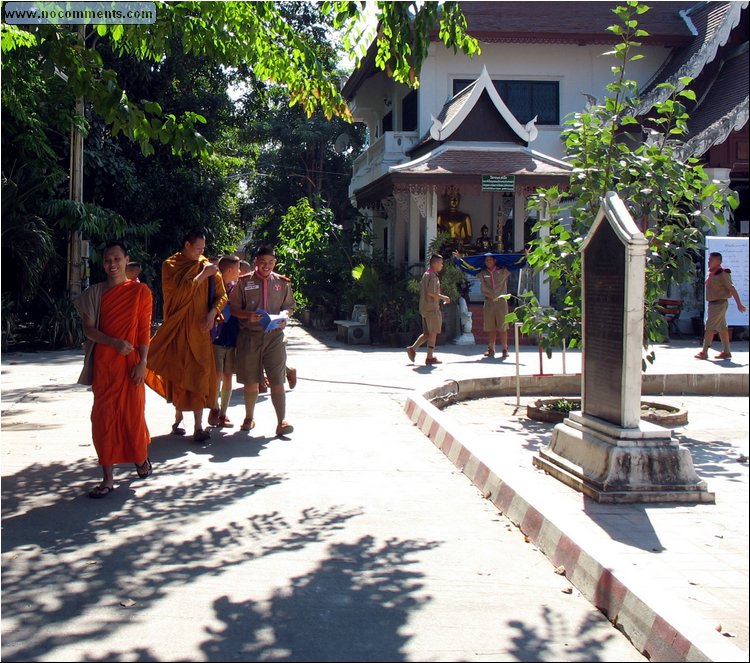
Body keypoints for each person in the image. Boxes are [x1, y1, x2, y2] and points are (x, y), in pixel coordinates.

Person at [74, 241, 153, 498]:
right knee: (103, 418)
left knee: (132, 416)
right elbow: (88, 330)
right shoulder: (94, 294)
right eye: (108, 260)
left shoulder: (141, 293)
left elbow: (143, 332)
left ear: (126, 259)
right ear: (103, 263)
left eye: (117, 259)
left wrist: (142, 363)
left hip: (131, 365)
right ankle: (107, 478)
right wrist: (113, 342)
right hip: (105, 364)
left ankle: (140, 457)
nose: (112, 265)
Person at [145, 229, 227, 442]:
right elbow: (180, 293)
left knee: (200, 374)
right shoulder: (170, 265)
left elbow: (222, 295)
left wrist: (212, 314)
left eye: (203, 248)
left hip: (200, 329)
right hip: (178, 327)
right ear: (187, 245)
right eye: (198, 248)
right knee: (179, 374)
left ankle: (199, 427)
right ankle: (179, 418)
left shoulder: (205, 265)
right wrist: (203, 275)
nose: (202, 251)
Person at [230, 245, 296, 437]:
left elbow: (289, 306)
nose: (267, 266)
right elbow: (233, 308)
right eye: (263, 262)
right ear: (256, 262)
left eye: (271, 262)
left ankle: (281, 421)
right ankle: (249, 417)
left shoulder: (282, 283)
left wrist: (285, 315)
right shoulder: (243, 282)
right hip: (250, 336)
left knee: (277, 380)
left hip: (274, 336)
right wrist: (247, 316)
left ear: (275, 262)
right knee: (251, 381)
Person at [208, 255, 241, 428]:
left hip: (233, 337)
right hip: (216, 338)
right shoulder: (213, 287)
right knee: (217, 375)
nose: (240, 272)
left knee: (228, 376)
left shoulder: (238, 288)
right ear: (230, 270)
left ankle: (223, 413)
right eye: (238, 268)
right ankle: (214, 408)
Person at [695, 251, 746, 360]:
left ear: (718, 261)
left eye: (711, 260)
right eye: (709, 260)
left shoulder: (722, 273)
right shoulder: (712, 272)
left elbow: (731, 288)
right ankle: (726, 352)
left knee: (709, 327)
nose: (709, 262)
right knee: (722, 328)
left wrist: (739, 304)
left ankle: (704, 352)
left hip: (719, 303)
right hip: (713, 303)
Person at [406, 254, 451, 365]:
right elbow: (431, 292)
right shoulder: (433, 276)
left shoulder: (427, 274)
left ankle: (413, 349)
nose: (442, 265)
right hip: (431, 308)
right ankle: (429, 357)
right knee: (433, 332)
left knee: (427, 333)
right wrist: (443, 297)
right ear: (435, 263)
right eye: (440, 263)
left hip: (425, 308)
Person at [478, 253, 511, 358]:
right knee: (490, 326)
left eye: (490, 260)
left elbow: (515, 265)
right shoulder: (483, 273)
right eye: (486, 260)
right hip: (489, 302)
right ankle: (491, 349)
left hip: (501, 301)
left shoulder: (502, 271)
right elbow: (468, 268)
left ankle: (505, 349)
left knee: (503, 326)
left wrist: (525, 256)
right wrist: (460, 259)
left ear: (494, 261)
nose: (488, 262)